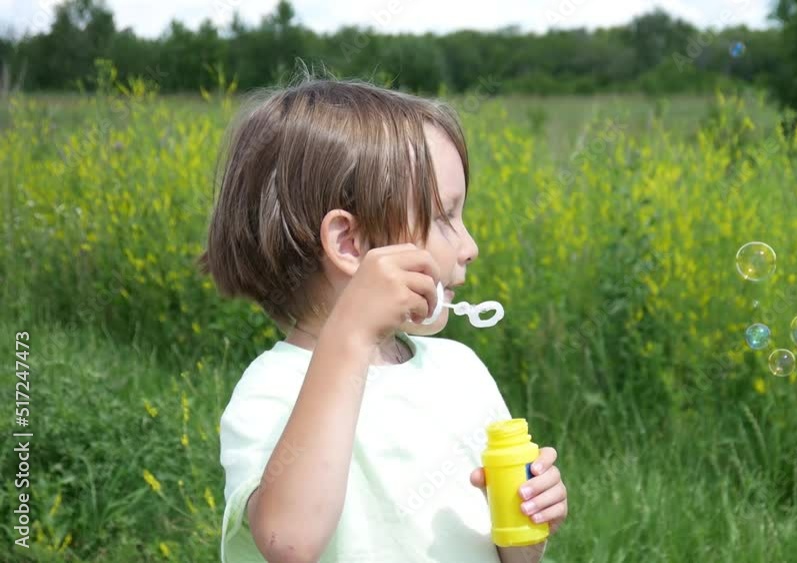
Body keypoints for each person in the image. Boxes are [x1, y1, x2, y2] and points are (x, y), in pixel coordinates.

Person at [199, 78, 568, 562]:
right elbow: (289, 542)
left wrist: (527, 524)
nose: (469, 247)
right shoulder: (274, 390)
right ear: (350, 244)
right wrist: (350, 335)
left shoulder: (461, 372)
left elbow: (510, 557)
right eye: (444, 218)